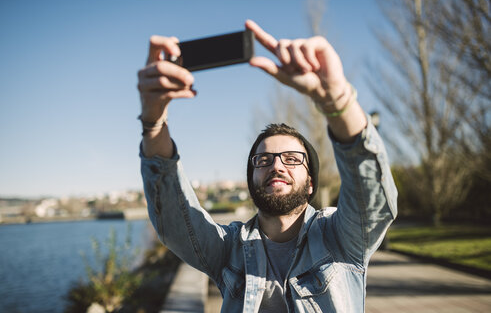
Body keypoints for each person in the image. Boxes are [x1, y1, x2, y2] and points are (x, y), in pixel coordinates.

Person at [137, 20, 397, 312]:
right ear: (252, 180)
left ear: (311, 182)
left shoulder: (340, 237)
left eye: (291, 158)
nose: (277, 165)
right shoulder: (227, 249)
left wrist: (338, 102)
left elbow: (372, 196)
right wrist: (154, 121)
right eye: (264, 160)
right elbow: (174, 216)